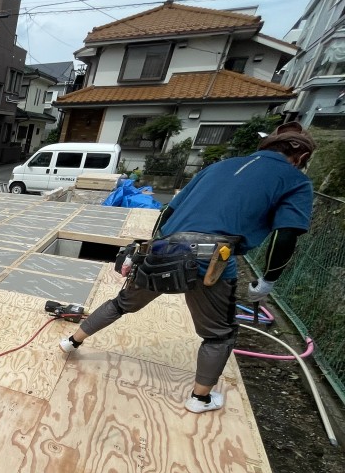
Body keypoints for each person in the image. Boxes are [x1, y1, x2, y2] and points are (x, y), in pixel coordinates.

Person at [58, 122, 316, 414]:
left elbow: (168, 211)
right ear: (301, 157)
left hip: (165, 248)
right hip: (211, 260)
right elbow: (286, 234)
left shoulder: (219, 167)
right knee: (219, 334)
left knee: (122, 304)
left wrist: (149, 249)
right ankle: (200, 399)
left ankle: (71, 342)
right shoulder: (295, 181)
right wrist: (268, 279)